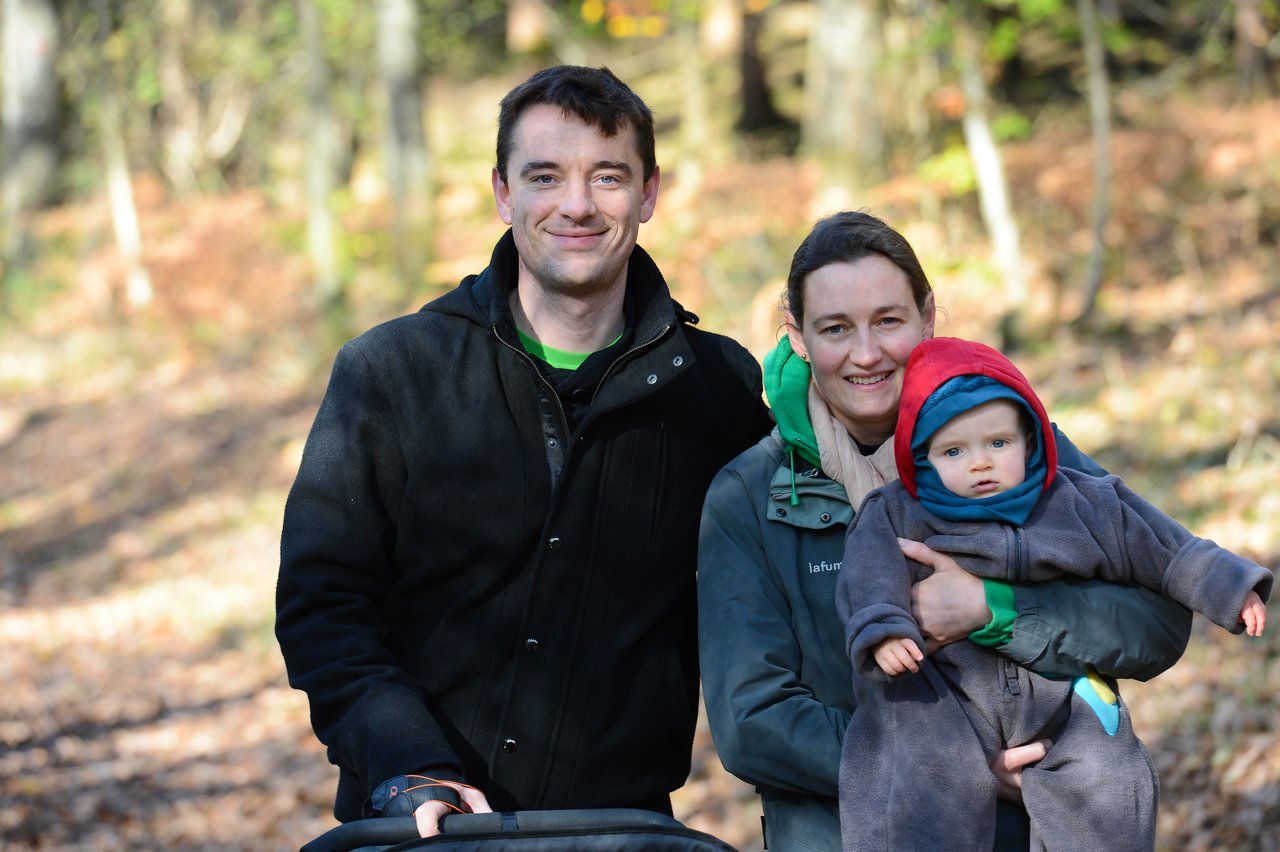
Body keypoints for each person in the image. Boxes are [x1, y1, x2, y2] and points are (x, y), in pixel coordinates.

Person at [276, 65, 772, 839]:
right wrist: (407, 761)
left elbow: (800, 570)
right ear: (504, 193)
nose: (577, 204)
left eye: (607, 176)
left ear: (648, 194)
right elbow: (323, 604)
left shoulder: (720, 392)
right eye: (545, 176)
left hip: (621, 834)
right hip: (418, 828)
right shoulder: (393, 373)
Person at [696, 211, 1193, 852]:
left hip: (1030, 831)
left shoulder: (1018, 451)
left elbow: (1158, 618)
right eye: (835, 328)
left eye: (889, 320)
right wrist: (951, 767)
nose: (867, 353)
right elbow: (752, 721)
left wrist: (997, 611)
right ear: (796, 336)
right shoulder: (748, 496)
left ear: (928, 317)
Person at [837, 335, 1271, 850]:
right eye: (954, 450)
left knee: (1107, 779)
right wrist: (883, 628)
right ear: (923, 456)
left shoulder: (1083, 501)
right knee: (914, 777)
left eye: (997, 443)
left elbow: (1167, 549)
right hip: (949, 696)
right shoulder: (896, 512)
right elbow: (868, 575)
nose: (980, 463)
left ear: (1029, 439)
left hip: (1061, 695)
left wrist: (1230, 587)